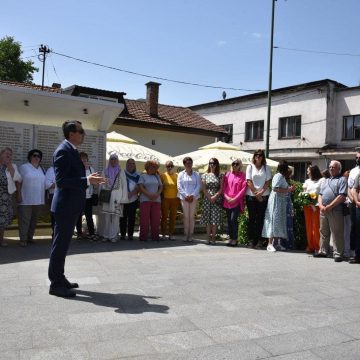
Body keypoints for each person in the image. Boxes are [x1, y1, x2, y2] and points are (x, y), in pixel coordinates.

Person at [48, 120, 105, 298]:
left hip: (70, 205)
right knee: (59, 245)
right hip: (65, 206)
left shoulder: (71, 150)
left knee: (63, 245)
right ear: (71, 133)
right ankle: (55, 284)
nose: (83, 134)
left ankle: (60, 277)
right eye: (81, 131)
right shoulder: (63, 151)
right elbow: (62, 181)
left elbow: (73, 176)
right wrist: (88, 180)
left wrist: (88, 177)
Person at [313, 160, 347, 262]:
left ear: (338, 169)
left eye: (333, 167)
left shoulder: (342, 180)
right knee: (323, 231)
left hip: (335, 210)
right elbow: (320, 195)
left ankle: (337, 253)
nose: (331, 168)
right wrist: (321, 205)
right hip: (323, 209)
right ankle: (323, 251)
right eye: (330, 167)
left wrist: (330, 206)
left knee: (337, 232)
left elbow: (342, 196)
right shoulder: (326, 180)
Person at [262, 161, 295, 252]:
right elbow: (275, 188)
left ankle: (275, 244)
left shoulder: (281, 176)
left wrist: (288, 190)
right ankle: (270, 244)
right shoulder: (278, 176)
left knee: (278, 221)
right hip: (276, 201)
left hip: (280, 201)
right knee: (274, 220)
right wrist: (288, 189)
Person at [17, 149, 46, 247]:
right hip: (26, 198)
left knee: (34, 220)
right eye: (34, 155)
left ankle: (30, 238)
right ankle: (23, 239)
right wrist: (19, 194)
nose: (37, 157)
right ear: (30, 157)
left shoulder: (41, 169)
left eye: (39, 156)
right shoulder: (24, 167)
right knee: (24, 220)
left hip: (38, 199)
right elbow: (18, 181)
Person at [97, 153, 128, 242]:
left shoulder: (121, 171)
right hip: (107, 197)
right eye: (112, 159)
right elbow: (101, 184)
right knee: (106, 217)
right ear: (109, 161)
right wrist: (100, 197)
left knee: (115, 217)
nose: (113, 161)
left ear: (117, 161)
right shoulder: (105, 171)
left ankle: (114, 236)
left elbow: (124, 185)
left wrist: (123, 199)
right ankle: (106, 235)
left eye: (115, 159)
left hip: (117, 197)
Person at [245, 149, 272, 249]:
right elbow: (249, 181)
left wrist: (261, 193)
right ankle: (251, 240)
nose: (258, 156)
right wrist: (256, 193)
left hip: (263, 196)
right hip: (251, 196)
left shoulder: (266, 168)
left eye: (260, 155)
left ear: (263, 157)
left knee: (261, 219)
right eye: (256, 155)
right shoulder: (250, 167)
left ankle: (260, 241)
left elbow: (268, 182)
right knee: (252, 219)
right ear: (254, 156)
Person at [0, 147, 21, 247]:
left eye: (10, 154)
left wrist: (10, 167)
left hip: (5, 198)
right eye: (6, 153)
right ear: (1, 154)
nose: (8, 155)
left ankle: (1, 240)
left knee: (3, 219)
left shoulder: (13, 166)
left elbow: (17, 179)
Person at [223, 159, 247, 247]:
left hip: (236, 202)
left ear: (240, 166)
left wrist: (235, 199)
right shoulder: (228, 174)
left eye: (237, 164)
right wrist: (227, 197)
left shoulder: (243, 175)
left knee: (233, 220)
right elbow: (224, 187)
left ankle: (235, 239)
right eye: (233, 164)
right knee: (229, 221)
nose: (235, 165)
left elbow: (243, 189)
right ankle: (230, 238)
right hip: (227, 201)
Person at [177, 157, 201, 242]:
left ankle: (191, 234)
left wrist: (193, 195)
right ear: (184, 164)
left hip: (194, 198)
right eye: (187, 163)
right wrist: (186, 196)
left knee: (191, 217)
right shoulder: (180, 174)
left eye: (190, 163)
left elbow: (198, 186)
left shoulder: (196, 174)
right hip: (184, 198)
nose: (189, 165)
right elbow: (179, 186)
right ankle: (185, 234)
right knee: (186, 217)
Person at [201, 158, 224, 245]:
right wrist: (210, 197)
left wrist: (215, 196)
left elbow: (221, 188)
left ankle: (213, 238)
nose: (212, 164)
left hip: (216, 199)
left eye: (214, 163)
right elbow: (203, 189)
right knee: (208, 220)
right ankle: (208, 238)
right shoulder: (205, 175)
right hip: (207, 199)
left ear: (217, 164)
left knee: (214, 220)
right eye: (210, 163)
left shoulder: (220, 175)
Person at [138, 160, 163, 242]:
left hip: (156, 200)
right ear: (147, 167)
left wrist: (157, 194)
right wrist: (148, 194)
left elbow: (161, 187)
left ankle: (155, 237)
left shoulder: (157, 176)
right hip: (145, 200)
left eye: (155, 167)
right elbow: (141, 187)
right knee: (144, 219)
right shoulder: (143, 176)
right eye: (152, 167)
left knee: (156, 219)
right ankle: (143, 237)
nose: (153, 169)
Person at [75, 152, 97, 241]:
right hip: (79, 196)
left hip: (89, 196)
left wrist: (95, 183)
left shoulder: (91, 169)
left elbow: (94, 182)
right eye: (82, 160)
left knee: (89, 216)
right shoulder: (76, 170)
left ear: (87, 160)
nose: (84, 162)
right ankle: (79, 233)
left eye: (85, 160)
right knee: (78, 215)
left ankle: (92, 233)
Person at [302, 165, 323, 253]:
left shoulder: (321, 180)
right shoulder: (307, 181)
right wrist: (306, 198)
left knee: (316, 226)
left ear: (313, 171)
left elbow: (321, 192)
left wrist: (314, 198)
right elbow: (304, 192)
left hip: (317, 205)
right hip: (308, 206)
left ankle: (318, 246)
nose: (307, 172)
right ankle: (310, 246)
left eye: (308, 171)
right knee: (309, 226)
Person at [120, 158, 140, 241]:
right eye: (129, 163)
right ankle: (123, 234)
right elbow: (120, 185)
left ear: (134, 165)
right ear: (126, 164)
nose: (131, 165)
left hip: (133, 198)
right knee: (123, 217)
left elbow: (139, 186)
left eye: (132, 163)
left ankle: (130, 235)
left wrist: (131, 193)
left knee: (132, 217)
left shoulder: (138, 175)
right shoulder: (122, 173)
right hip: (123, 198)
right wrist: (125, 194)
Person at [160, 160, 179, 240]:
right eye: (168, 166)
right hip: (165, 199)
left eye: (171, 166)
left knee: (173, 217)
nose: (170, 167)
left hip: (175, 199)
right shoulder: (163, 175)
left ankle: (171, 234)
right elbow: (160, 187)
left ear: (173, 167)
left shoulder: (177, 175)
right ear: (166, 167)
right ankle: (163, 234)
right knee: (164, 217)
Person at [348, 149, 360, 263]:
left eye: (359, 157)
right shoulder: (353, 171)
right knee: (355, 228)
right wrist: (354, 201)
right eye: (356, 158)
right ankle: (355, 253)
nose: (358, 159)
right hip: (354, 203)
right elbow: (350, 188)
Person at [45, 165, 56, 238]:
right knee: (55, 217)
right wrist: (60, 183)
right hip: (54, 196)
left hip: (67, 196)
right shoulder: (51, 170)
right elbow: (47, 185)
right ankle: (55, 234)